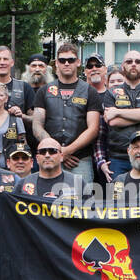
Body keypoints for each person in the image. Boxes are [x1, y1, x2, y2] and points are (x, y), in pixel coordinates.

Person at [32, 43, 99, 185]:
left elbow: (93, 129)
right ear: (56, 63)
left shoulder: (90, 91)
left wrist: (67, 151)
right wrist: (57, 151)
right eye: (62, 60)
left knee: (82, 204)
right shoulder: (44, 91)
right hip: (48, 157)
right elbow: (37, 125)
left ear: (78, 62)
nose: (66, 63)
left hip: (80, 160)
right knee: (46, 202)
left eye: (71, 60)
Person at [95, 50, 140, 182]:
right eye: (129, 61)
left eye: (137, 62)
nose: (133, 64)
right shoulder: (111, 92)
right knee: (117, 200)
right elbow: (112, 122)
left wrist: (119, 112)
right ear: (122, 67)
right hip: (118, 157)